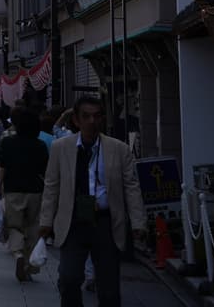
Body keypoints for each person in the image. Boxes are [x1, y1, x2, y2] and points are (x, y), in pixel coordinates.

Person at [39, 94, 147, 307]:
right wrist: (46, 221)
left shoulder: (119, 149)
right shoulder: (61, 148)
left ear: (103, 119)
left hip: (106, 222)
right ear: (76, 120)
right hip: (72, 221)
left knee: (108, 289)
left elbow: (131, 188)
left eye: (96, 116)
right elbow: (52, 186)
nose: (92, 121)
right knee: (68, 279)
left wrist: (138, 223)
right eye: (86, 116)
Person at [0, 107, 49, 281]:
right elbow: (45, 171)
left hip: (13, 189)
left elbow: (2, 166)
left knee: (14, 226)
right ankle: (28, 265)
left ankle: (18, 254)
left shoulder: (8, 143)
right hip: (36, 190)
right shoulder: (41, 145)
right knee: (33, 227)